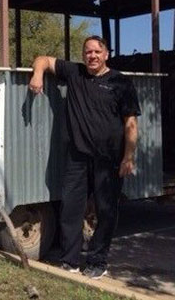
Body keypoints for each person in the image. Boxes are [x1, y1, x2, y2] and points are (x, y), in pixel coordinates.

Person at [29, 35, 140, 279]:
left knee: (106, 211)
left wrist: (128, 156)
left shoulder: (121, 83)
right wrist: (37, 75)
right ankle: (70, 260)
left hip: (109, 160)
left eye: (96, 52)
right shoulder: (75, 73)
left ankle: (98, 261)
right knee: (70, 210)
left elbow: (130, 122)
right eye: (87, 52)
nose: (92, 56)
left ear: (106, 54)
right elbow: (43, 60)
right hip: (77, 158)